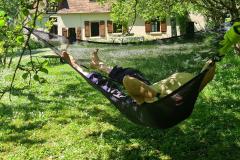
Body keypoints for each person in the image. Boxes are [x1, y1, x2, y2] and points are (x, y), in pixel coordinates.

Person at [61, 49, 216, 105]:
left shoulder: (158, 104)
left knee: (102, 83)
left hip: (139, 100)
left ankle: (77, 66)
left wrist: (155, 94)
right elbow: (206, 75)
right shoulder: (185, 93)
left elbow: (129, 83)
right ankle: (99, 64)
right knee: (130, 72)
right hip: (151, 89)